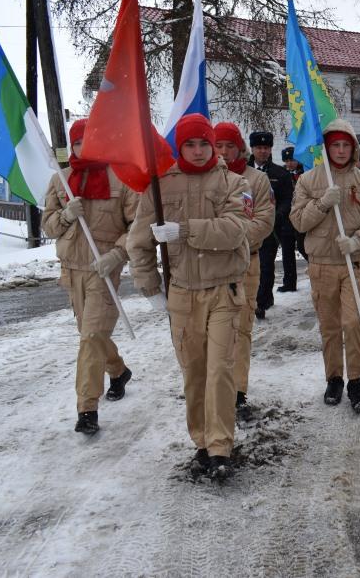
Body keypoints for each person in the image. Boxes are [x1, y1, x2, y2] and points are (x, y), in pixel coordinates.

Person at [127, 113, 251, 480]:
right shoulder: (160, 187)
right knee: (194, 373)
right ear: (179, 146)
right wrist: (150, 287)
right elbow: (138, 241)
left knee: (220, 371)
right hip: (182, 294)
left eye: (204, 144)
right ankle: (201, 440)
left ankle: (220, 446)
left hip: (223, 291)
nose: (198, 152)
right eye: (189, 144)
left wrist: (183, 231)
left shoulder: (235, 182)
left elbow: (235, 229)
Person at [42, 119, 138, 435]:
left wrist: (117, 254)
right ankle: (119, 370)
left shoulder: (121, 179)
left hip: (104, 272)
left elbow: (135, 226)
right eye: (80, 142)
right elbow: (49, 226)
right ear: (73, 146)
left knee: (92, 336)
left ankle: (87, 409)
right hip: (72, 272)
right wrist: (66, 214)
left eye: (92, 141)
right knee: (91, 334)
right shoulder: (61, 181)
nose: (86, 147)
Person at [289, 119, 360, 413]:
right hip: (321, 265)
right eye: (335, 145)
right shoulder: (308, 181)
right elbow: (298, 221)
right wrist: (321, 204)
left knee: (353, 323)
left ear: (353, 148)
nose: (341, 151)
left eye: (346, 145)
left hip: (352, 264)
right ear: (326, 148)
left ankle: (355, 380)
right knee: (330, 327)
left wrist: (358, 241)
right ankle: (334, 378)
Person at [213, 122, 275, 416]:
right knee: (212, 330)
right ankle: (215, 384)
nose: (224, 152)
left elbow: (263, 222)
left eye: (229, 146)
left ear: (241, 148)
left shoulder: (256, 180)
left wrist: (229, 238)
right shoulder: (206, 179)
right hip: (210, 266)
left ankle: (238, 388)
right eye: (218, 146)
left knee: (242, 326)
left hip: (245, 261)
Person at [248, 131, 295, 317]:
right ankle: (253, 298)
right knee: (248, 266)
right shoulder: (242, 171)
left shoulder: (279, 173)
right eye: (259, 148)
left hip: (270, 229)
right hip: (246, 228)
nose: (262, 151)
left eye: (266, 148)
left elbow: (287, 199)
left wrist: (275, 215)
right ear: (252, 149)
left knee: (265, 265)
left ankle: (261, 302)